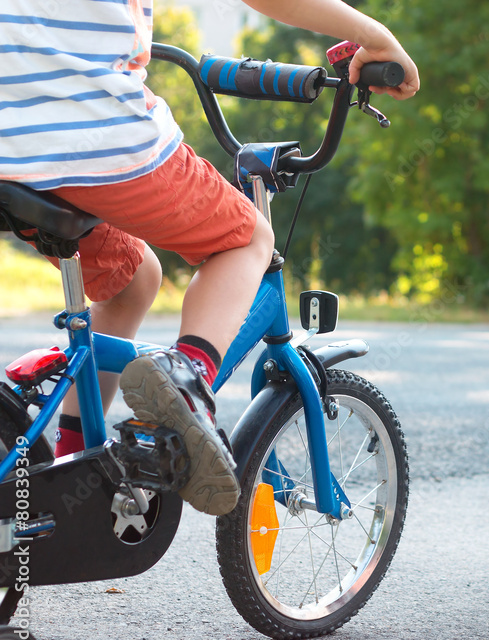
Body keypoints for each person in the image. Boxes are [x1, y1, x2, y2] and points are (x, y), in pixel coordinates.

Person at [0, 1, 419, 515]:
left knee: (131, 279)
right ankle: (186, 378)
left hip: (9, 145)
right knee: (245, 239)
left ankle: (70, 485)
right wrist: (373, 34)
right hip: (90, 132)